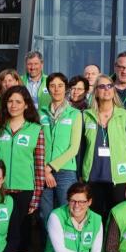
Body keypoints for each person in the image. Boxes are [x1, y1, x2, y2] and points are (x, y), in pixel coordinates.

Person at [0, 85, 46, 252]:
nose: (13, 105)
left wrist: (36, 198)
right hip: (0, 189)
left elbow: (39, 166)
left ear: (26, 105)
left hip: (24, 191)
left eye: (18, 102)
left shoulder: (36, 130)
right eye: (10, 101)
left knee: (21, 235)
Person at [81, 75, 126, 219]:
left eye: (109, 86)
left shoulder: (125, 115)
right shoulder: (85, 115)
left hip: (118, 178)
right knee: (94, 218)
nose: (106, 89)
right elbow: (80, 149)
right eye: (101, 86)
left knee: (116, 219)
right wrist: (80, 176)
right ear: (95, 92)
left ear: (114, 90)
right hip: (92, 177)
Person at [39, 73, 83, 229]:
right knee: (45, 214)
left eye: (60, 86)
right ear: (48, 89)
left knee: (67, 212)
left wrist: (50, 167)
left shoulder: (75, 114)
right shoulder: (40, 114)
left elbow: (74, 148)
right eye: (52, 85)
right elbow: (37, 145)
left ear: (66, 89)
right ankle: (49, 251)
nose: (56, 89)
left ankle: (66, 251)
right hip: (43, 171)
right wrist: (44, 170)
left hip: (65, 171)